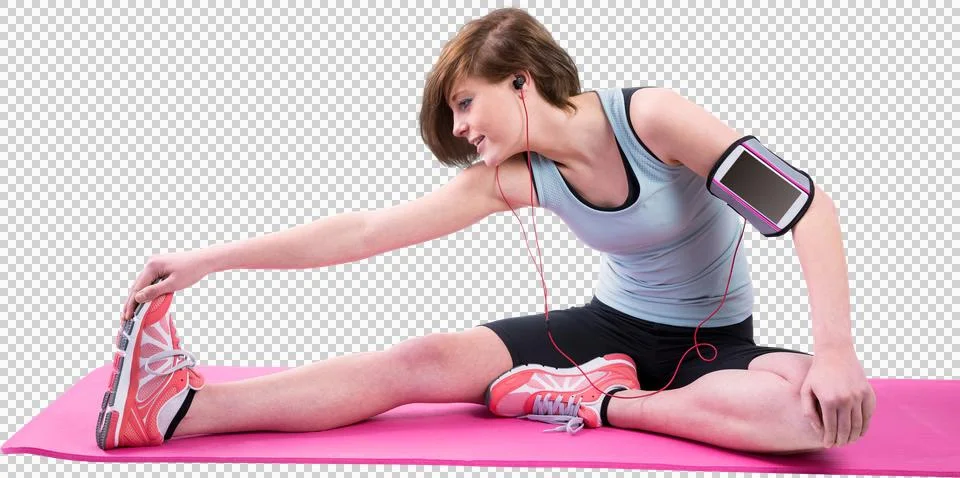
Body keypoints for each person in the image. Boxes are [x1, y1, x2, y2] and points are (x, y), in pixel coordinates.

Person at [97, 7, 875, 454]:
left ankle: (601, 402)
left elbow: (804, 205)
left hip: (714, 344)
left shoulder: (655, 120)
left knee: (817, 418)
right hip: (603, 330)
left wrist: (836, 352)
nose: (462, 128)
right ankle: (181, 409)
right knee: (417, 361)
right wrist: (211, 259)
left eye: (466, 104)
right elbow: (364, 231)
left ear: (521, 80)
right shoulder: (515, 175)